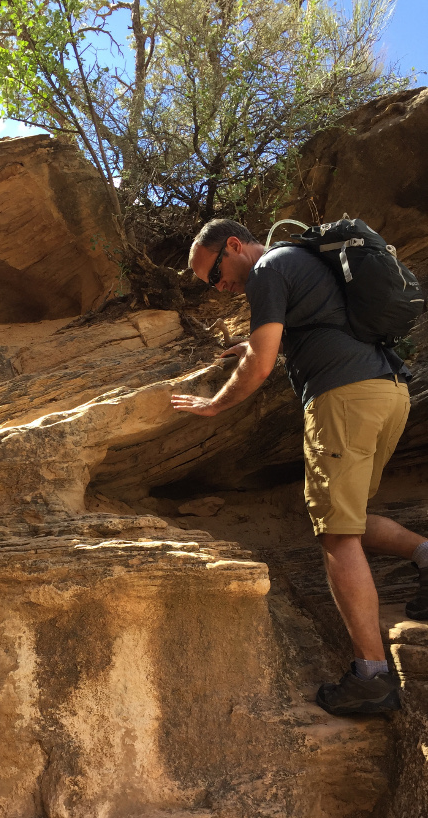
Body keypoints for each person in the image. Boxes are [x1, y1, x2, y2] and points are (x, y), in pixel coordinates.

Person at [172, 218, 428, 716]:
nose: (219, 287)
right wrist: (251, 344)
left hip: (343, 397)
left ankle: (371, 677)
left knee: (336, 534)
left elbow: (262, 365)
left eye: (214, 274)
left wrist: (213, 406)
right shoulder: (304, 261)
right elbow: (309, 328)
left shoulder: (268, 268)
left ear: (233, 245)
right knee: (349, 516)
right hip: (387, 393)